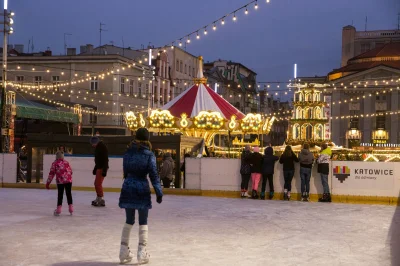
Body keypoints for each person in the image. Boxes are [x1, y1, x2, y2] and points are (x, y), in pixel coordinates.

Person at [118, 128, 163, 264]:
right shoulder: (149, 155)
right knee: (143, 221)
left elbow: (125, 171)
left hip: (128, 186)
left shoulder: (127, 153)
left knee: (129, 220)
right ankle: (141, 252)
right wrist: (158, 191)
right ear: (147, 139)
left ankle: (123, 251)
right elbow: (154, 175)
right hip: (141, 188)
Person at [45, 151, 73, 216]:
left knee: (60, 195)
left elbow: (51, 174)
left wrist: (48, 183)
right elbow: (71, 172)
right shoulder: (66, 162)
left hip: (60, 181)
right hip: (69, 181)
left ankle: (58, 210)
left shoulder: (55, 163)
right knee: (69, 194)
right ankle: (71, 209)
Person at [90, 136, 109, 207]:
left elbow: (105, 159)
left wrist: (104, 170)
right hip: (99, 167)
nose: (92, 145)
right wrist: (95, 168)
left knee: (98, 184)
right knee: (96, 183)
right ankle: (98, 198)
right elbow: (98, 160)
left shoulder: (102, 147)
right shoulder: (98, 147)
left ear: (96, 142)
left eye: (93, 143)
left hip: (102, 168)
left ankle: (101, 199)